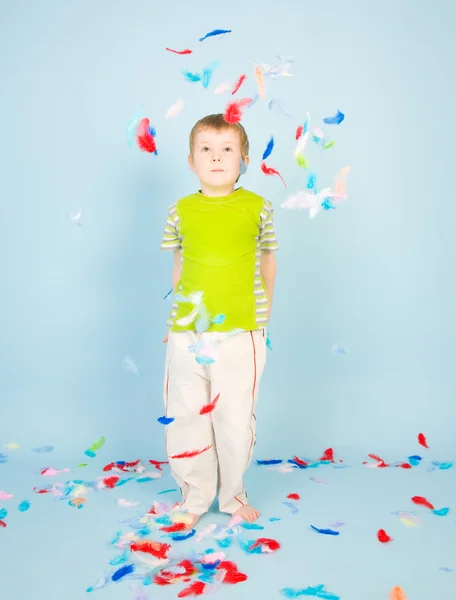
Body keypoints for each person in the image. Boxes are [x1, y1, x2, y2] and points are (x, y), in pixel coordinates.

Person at [160, 113, 278, 530]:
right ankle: (193, 497)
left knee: (233, 418)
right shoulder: (181, 211)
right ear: (191, 160)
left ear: (243, 159)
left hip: (241, 332)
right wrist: (175, 319)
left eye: (227, 149)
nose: (216, 157)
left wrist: (263, 315)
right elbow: (180, 264)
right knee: (186, 413)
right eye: (206, 149)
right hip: (187, 332)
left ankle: (232, 496)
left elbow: (267, 260)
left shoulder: (257, 208)